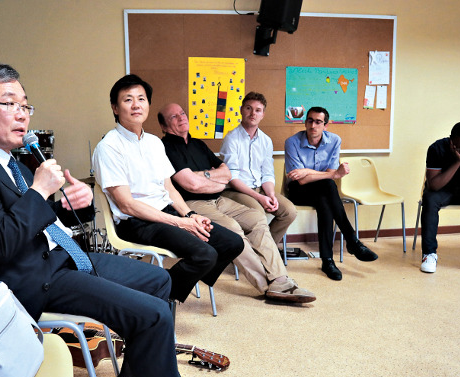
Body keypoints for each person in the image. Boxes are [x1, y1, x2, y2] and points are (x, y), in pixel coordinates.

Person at [0, 63, 209, 377]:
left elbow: (38, 218)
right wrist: (38, 192)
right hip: (30, 280)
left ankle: (136, 373)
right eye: (10, 103)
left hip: (60, 258)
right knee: (151, 314)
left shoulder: (11, 160)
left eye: (26, 105)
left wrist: (72, 205)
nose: (22, 114)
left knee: (160, 280)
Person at [93, 74, 243, 306]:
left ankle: (160, 291)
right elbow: (126, 205)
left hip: (166, 214)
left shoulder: (154, 142)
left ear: (148, 105)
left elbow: (168, 187)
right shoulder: (108, 147)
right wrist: (181, 224)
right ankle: (163, 298)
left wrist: (190, 215)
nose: (136, 105)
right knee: (205, 254)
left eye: (141, 99)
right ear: (115, 107)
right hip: (136, 222)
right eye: (128, 100)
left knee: (232, 242)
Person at [159, 102, 315, 303]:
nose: (181, 118)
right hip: (192, 205)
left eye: (182, 113)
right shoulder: (165, 148)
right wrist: (213, 179)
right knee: (233, 230)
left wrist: (205, 177)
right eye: (173, 117)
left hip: (219, 199)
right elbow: (190, 185)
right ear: (164, 126)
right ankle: (268, 287)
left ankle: (280, 279)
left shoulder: (197, 143)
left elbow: (226, 173)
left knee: (257, 218)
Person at [284, 106, 378, 281]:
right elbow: (302, 180)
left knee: (324, 197)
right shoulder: (292, 142)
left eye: (318, 122)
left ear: (325, 125)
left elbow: (325, 174)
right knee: (328, 184)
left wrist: (307, 170)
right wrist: (333, 175)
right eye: (310, 120)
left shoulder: (334, 140)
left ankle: (328, 261)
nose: (313, 125)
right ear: (305, 122)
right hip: (298, 190)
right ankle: (351, 242)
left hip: (323, 190)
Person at [219, 92, 297, 249]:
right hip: (236, 190)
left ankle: (265, 251)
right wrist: (259, 198)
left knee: (289, 211)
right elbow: (232, 178)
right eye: (249, 108)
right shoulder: (231, 138)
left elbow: (267, 173)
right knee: (258, 215)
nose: (253, 113)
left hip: (260, 189)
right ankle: (260, 255)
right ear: (241, 110)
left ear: (263, 114)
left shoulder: (266, 141)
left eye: (258, 110)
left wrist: (271, 195)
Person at [420, 121, 460, 273]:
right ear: (451, 141)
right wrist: (458, 161)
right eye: (459, 147)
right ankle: (429, 254)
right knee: (429, 198)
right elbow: (434, 185)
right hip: (444, 190)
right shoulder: (436, 148)